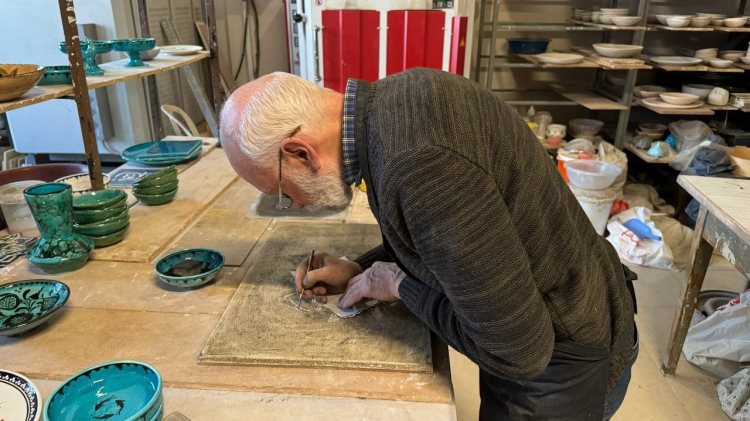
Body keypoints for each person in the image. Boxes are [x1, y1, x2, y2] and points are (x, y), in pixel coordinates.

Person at [219, 68, 638, 420]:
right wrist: (363, 269)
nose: (294, 204)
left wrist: (400, 286)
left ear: (300, 152)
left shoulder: (417, 165)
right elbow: (450, 236)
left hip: (566, 353)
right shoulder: (402, 96)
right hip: (562, 298)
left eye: (281, 192)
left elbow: (519, 353)